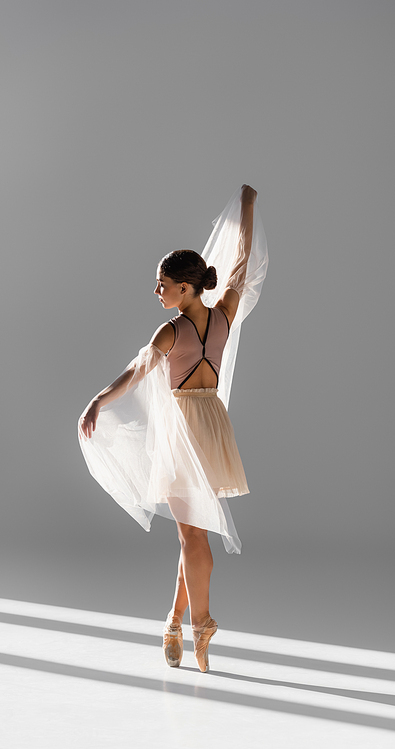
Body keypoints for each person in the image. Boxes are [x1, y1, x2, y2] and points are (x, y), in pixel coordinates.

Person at [78, 184, 267, 672]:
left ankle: (201, 622)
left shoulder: (173, 330)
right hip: (212, 425)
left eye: (161, 283)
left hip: (185, 430)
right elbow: (243, 261)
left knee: (193, 537)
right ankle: (173, 622)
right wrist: (247, 210)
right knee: (192, 533)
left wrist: (100, 398)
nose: (156, 290)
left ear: (185, 288)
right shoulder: (224, 313)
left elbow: (137, 372)